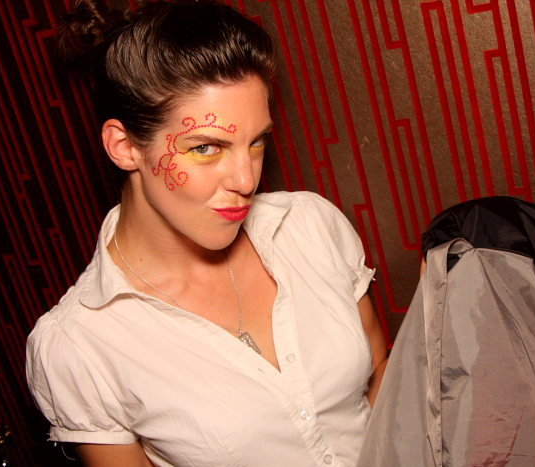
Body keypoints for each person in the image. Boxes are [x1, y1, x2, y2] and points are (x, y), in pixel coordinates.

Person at [25, 1, 387, 466]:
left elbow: (381, 374)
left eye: (256, 142)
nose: (246, 179)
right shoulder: (79, 345)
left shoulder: (309, 226)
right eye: (206, 148)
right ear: (125, 146)